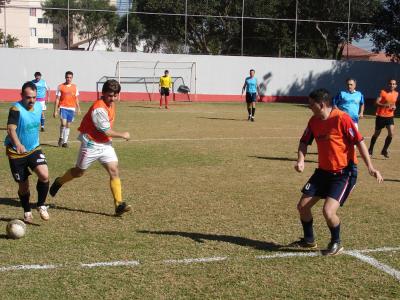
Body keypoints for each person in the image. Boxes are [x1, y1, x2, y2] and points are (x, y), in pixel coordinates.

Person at [292, 88, 383, 256]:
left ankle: (336, 242)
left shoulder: (342, 118)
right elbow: (304, 142)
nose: (309, 107)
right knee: (302, 207)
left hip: (344, 173)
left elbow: (359, 142)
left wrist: (370, 167)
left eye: (311, 105)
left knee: (328, 211)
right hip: (322, 172)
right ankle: (309, 240)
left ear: (321, 104)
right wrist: (301, 160)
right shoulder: (314, 121)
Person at [49, 79, 132, 216]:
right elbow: (105, 131)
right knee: (78, 172)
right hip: (91, 144)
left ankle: (118, 204)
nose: (112, 98)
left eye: (115, 95)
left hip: (105, 144)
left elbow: (106, 134)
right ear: (103, 93)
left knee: (114, 170)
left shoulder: (110, 104)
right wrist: (122, 134)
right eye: (110, 95)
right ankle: (59, 181)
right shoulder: (99, 108)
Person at [5, 81, 50, 223]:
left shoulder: (38, 106)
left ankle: (41, 205)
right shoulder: (16, 109)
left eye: (34, 97)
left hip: (34, 149)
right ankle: (27, 211)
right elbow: (11, 129)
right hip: (16, 152)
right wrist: (18, 144)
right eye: (28, 97)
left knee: (44, 175)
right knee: (23, 187)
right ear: (22, 96)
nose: (31, 100)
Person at [368, 79, 398, 158]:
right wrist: (384, 105)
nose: (392, 85)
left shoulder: (396, 94)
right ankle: (370, 149)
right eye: (390, 84)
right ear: (388, 85)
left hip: (390, 116)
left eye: (393, 84)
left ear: (396, 86)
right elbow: (376, 103)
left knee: (391, 133)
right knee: (376, 134)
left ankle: (384, 150)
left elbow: (393, 103)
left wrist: (394, 107)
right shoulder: (383, 92)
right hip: (381, 116)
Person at [53, 71, 81, 147]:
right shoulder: (60, 86)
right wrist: (55, 110)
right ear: (65, 77)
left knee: (68, 125)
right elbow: (57, 99)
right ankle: (61, 137)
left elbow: (76, 98)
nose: (69, 79)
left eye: (70, 77)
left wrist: (78, 108)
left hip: (71, 108)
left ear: (72, 78)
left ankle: (65, 142)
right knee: (63, 123)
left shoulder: (75, 87)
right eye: (67, 77)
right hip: (63, 107)